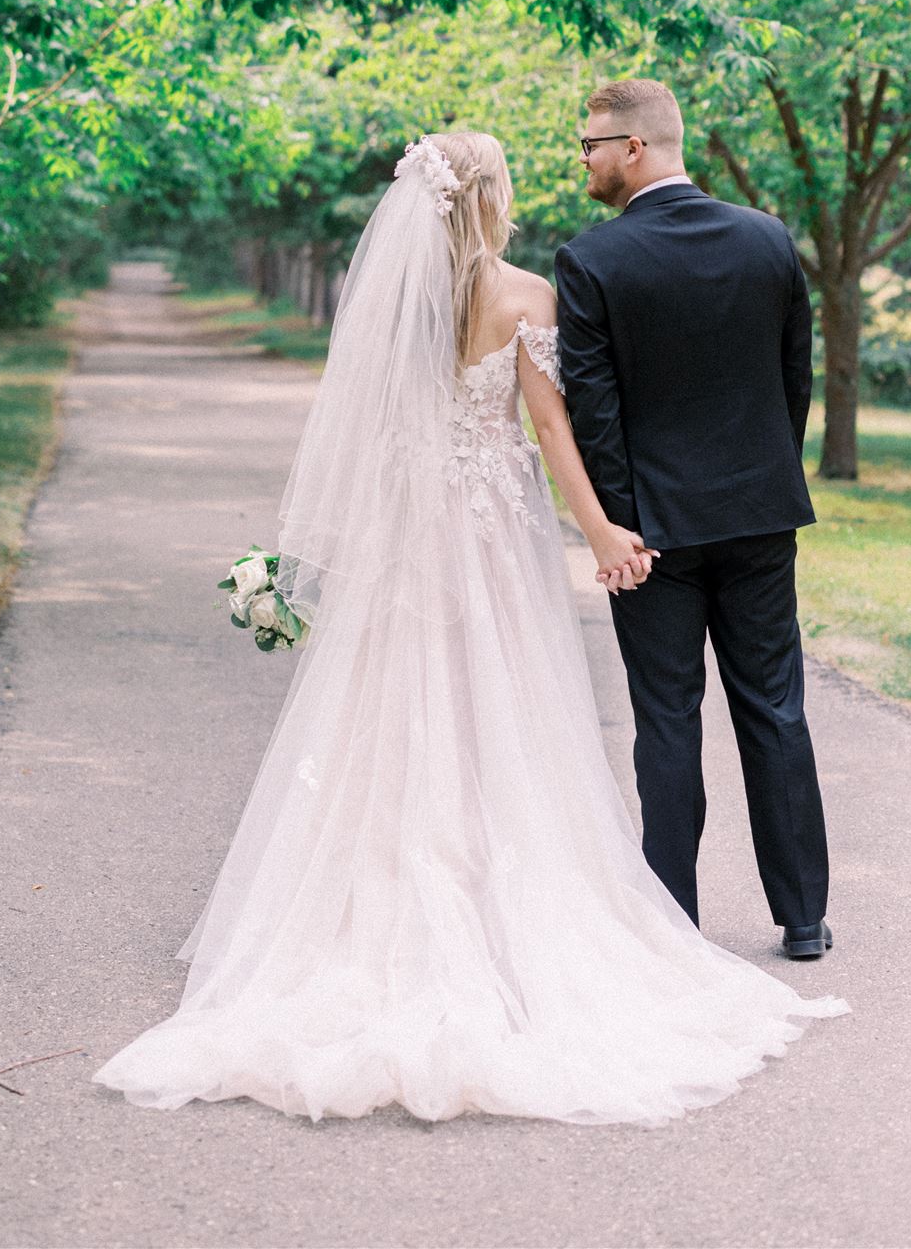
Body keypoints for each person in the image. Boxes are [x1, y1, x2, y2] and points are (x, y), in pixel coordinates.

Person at [93, 130, 844, 1126]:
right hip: (489, 533)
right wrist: (601, 528)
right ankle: (561, 906)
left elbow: (364, 439)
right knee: (499, 704)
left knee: (400, 704)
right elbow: (547, 426)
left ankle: (373, 903)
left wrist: (324, 561)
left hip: (409, 534)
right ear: (487, 197)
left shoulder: (392, 310)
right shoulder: (528, 295)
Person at [555, 80, 832, 960]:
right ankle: (803, 918)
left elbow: (595, 416)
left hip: (652, 535)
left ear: (633, 148)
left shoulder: (591, 261)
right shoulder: (766, 239)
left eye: (591, 144)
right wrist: (760, 483)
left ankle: (672, 924)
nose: (585, 160)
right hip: (758, 518)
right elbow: (794, 384)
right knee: (775, 711)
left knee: (667, 721)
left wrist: (618, 529)